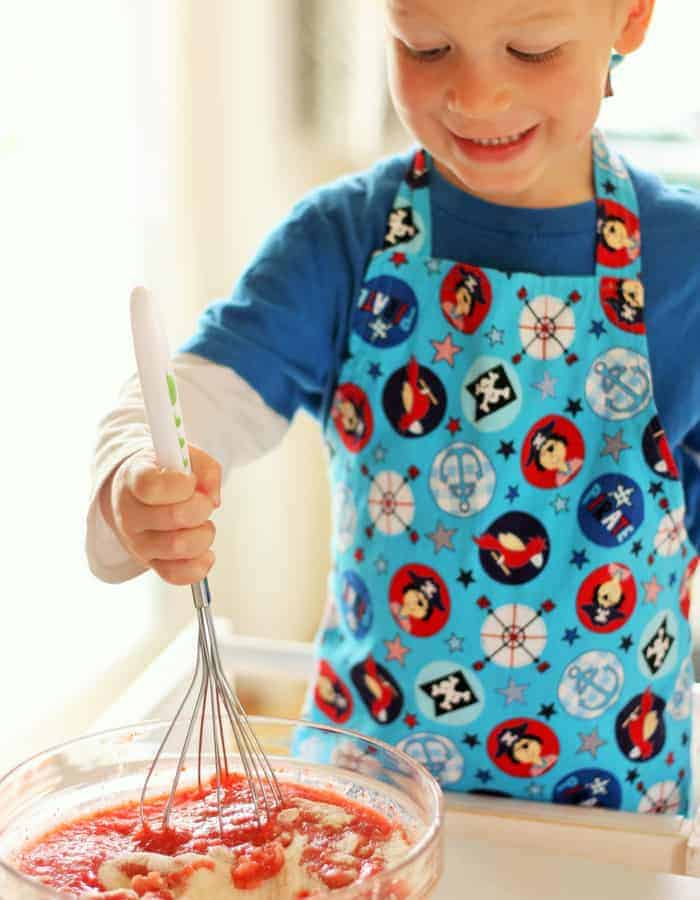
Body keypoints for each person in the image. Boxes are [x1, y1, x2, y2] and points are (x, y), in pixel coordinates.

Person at [87, 0, 700, 814]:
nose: (475, 97)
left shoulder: (683, 263)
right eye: (428, 47)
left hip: (615, 819)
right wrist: (136, 480)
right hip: (366, 801)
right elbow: (188, 396)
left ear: (629, 18)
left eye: (532, 48)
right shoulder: (341, 239)